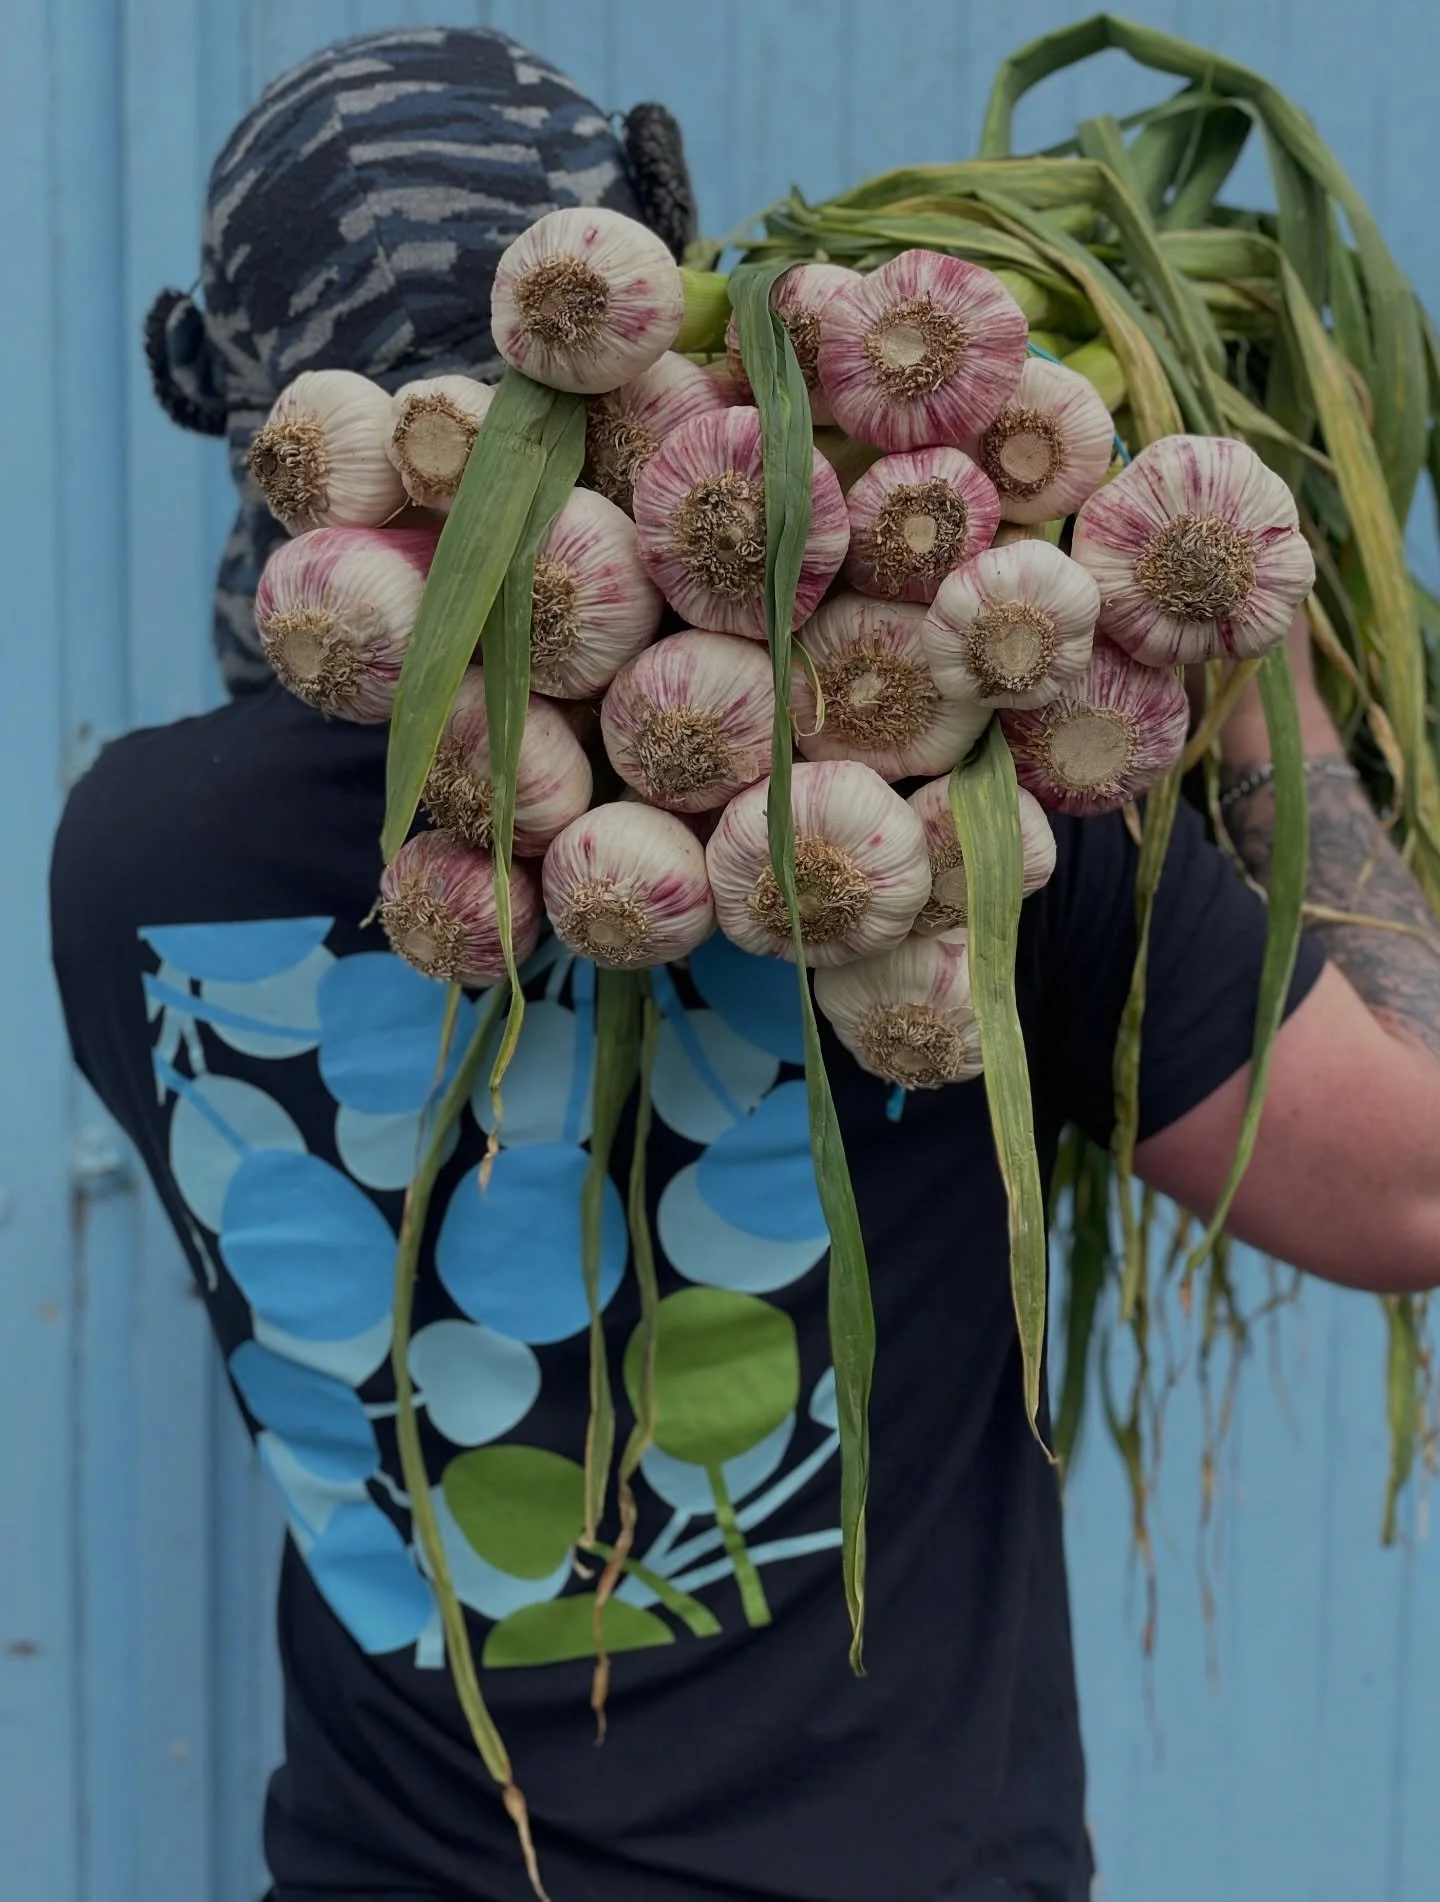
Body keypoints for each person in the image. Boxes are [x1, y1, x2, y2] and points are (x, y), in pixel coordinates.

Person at [47, 24, 1440, 1902]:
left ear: (252, 406)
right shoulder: (961, 808)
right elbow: (1410, 1183)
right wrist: (1268, 698)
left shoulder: (129, 864)